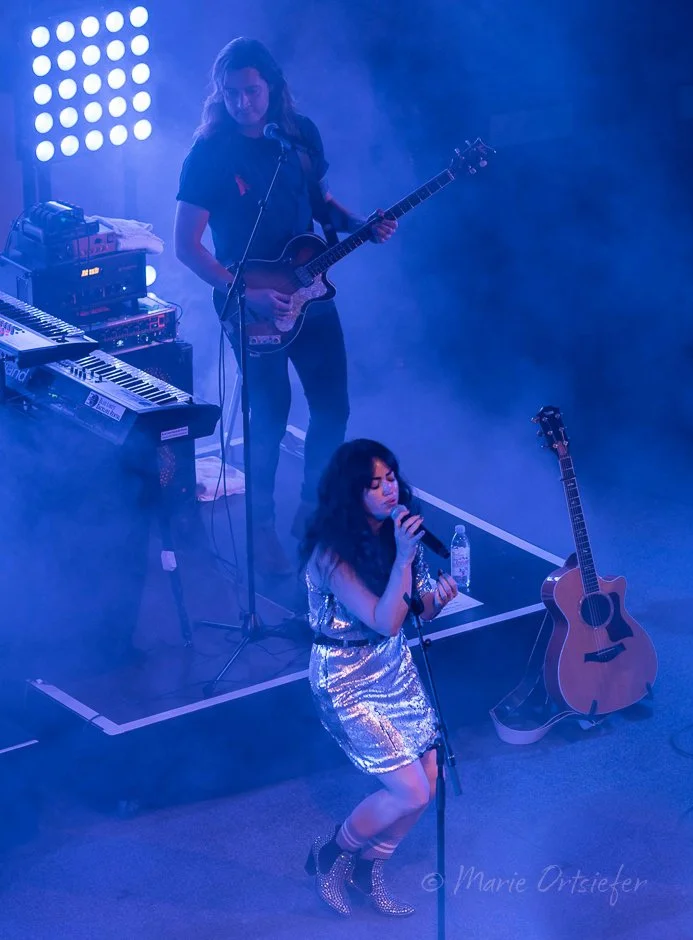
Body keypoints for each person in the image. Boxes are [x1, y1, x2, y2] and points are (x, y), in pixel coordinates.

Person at [174, 38, 397, 577]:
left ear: (272, 88)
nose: (242, 103)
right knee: (270, 416)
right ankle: (260, 529)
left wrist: (359, 224)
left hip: (310, 293)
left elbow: (321, 204)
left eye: (251, 91)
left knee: (333, 409)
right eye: (231, 93)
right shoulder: (209, 154)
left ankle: (312, 516)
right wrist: (242, 292)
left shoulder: (299, 137)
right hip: (250, 302)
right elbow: (186, 245)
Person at [300, 439, 458, 917]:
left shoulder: (398, 533)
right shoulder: (330, 555)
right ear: (353, 492)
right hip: (346, 678)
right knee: (410, 790)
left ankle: (368, 869)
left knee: (431, 775)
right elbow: (384, 619)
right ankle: (331, 854)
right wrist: (404, 558)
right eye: (375, 484)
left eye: (391, 478)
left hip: (391, 666)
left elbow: (414, 610)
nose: (390, 490)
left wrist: (437, 600)